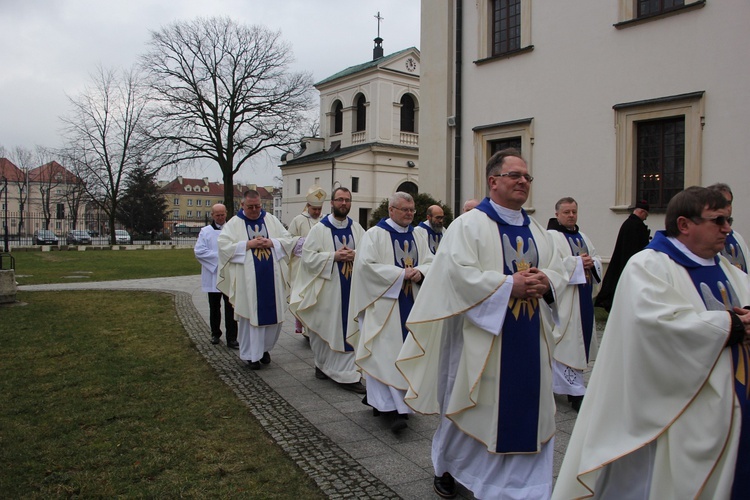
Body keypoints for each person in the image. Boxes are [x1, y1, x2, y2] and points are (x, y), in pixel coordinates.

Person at [553, 186, 750, 499]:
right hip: (673, 409)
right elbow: (657, 328)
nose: (728, 228)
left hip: (730, 402)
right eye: (719, 220)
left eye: (729, 219)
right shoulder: (650, 266)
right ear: (684, 224)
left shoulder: (724, 267)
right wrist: (731, 325)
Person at [397, 149, 566, 499]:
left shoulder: (536, 228)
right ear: (493, 181)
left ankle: (526, 487)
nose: (523, 181)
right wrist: (509, 285)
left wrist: (547, 281)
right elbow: (455, 276)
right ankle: (448, 468)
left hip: (528, 337)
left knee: (527, 411)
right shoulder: (468, 225)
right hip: (479, 340)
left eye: (527, 177)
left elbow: (556, 266)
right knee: (469, 408)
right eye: (515, 175)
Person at [349, 191, 432, 433]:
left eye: (412, 210)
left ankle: (397, 404)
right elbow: (366, 268)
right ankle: (389, 408)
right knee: (384, 356)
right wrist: (400, 274)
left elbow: (431, 260)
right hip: (384, 308)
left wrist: (421, 271)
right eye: (404, 210)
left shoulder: (418, 234)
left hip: (412, 304)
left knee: (406, 354)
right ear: (391, 210)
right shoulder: (375, 235)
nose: (409, 214)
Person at [290, 187, 366, 393]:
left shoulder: (357, 228)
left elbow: (369, 255)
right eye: (340, 199)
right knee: (326, 327)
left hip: (352, 289)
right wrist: (334, 256)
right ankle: (322, 364)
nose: (344, 203)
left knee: (349, 327)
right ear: (331, 203)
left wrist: (355, 254)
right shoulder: (320, 229)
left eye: (347, 200)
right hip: (328, 289)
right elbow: (308, 257)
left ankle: (347, 374)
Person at [217, 190, 297, 370]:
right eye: (250, 207)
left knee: (273, 319)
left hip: (272, 279)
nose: (254, 210)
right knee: (249, 318)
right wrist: (248, 244)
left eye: (257, 206)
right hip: (248, 283)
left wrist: (272, 243)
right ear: (242, 206)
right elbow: (223, 246)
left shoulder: (270, 220)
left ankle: (264, 350)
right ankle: (250, 355)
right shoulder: (234, 223)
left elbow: (288, 239)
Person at [547, 197, 602, 412]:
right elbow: (551, 266)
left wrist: (593, 263)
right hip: (566, 301)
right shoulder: (552, 237)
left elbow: (596, 257)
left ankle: (573, 387)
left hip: (583, 297)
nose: (571, 215)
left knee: (581, 342)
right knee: (568, 342)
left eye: (574, 212)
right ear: (557, 214)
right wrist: (579, 263)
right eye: (567, 212)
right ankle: (573, 390)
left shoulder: (583, 236)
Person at [194, 203, 239, 348]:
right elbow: (199, 251)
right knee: (214, 307)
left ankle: (232, 337)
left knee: (230, 307)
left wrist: (226, 257)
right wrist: (220, 258)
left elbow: (237, 248)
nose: (220, 217)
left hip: (229, 274)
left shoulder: (232, 229)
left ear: (226, 213)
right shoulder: (205, 231)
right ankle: (215, 333)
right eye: (217, 215)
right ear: (212, 215)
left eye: (223, 214)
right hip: (212, 274)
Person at [595, 199, 650, 311]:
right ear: (642, 212)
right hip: (630, 263)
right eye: (646, 215)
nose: (646, 218)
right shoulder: (636, 225)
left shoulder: (629, 223)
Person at [288, 185, 327, 336]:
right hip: (302, 266)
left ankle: (317, 327)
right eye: (314, 209)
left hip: (321, 265)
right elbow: (288, 240)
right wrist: (300, 242)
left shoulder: (325, 221)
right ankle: (306, 329)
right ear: (308, 206)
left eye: (319, 209)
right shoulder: (298, 220)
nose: (317, 212)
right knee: (305, 297)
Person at [709, 182, 748, 273]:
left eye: (729, 203)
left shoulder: (736, 237)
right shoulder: (707, 238)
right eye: (723, 203)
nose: (728, 208)